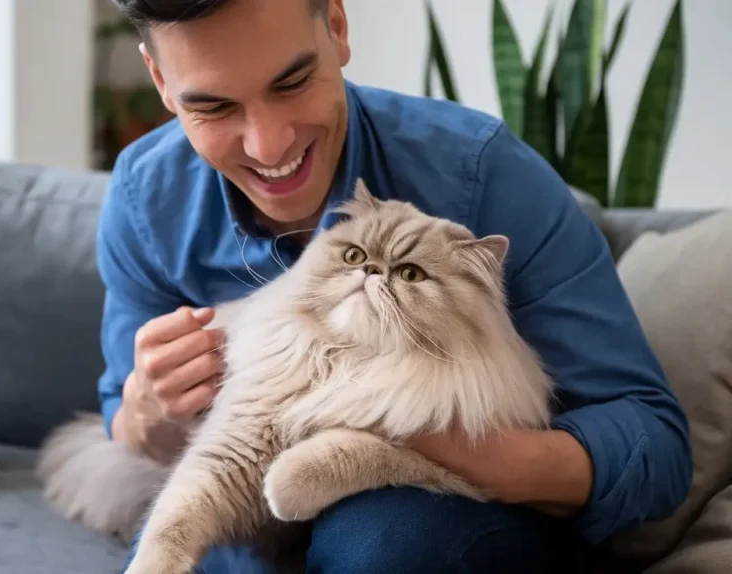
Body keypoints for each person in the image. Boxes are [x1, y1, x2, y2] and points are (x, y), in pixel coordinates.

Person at [95, 0, 693, 571]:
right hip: (245, 513)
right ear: (162, 82)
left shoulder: (485, 175)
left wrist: (419, 434)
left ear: (336, 25)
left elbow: (655, 449)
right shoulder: (145, 197)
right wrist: (145, 412)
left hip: (429, 519)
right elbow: (122, 412)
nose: (268, 145)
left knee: (387, 542)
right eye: (215, 109)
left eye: (292, 83)